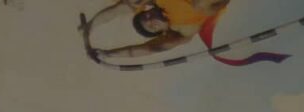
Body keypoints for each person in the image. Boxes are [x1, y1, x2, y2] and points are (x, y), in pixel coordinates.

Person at [80, 0, 229, 60]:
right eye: (152, 26)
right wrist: (109, 54)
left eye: (146, 16)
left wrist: (90, 26)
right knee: (200, 5)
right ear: (162, 32)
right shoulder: (180, 30)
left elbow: (117, 10)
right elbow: (150, 48)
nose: (151, 19)